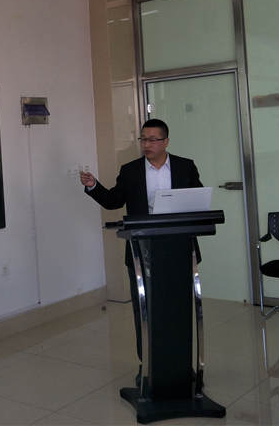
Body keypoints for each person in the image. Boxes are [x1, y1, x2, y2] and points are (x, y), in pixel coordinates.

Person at [80, 118, 202, 373]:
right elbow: (113, 201)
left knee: (178, 309)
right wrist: (93, 186)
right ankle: (148, 366)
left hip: (179, 248)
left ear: (166, 142)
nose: (146, 144)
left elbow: (197, 200)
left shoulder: (185, 166)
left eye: (153, 140)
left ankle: (181, 366)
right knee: (145, 310)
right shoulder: (131, 170)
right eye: (143, 139)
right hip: (142, 251)